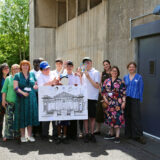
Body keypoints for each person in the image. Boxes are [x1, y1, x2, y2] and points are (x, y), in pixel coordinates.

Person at [13, 60, 39, 143]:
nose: (25, 66)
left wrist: (35, 86)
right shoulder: (17, 75)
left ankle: (30, 135)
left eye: (26, 65)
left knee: (30, 116)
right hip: (22, 99)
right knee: (22, 116)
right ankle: (23, 136)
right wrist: (23, 93)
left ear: (29, 66)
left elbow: (35, 84)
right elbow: (16, 88)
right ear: (21, 66)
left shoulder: (32, 74)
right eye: (23, 65)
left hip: (31, 98)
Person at [102, 66, 126, 144]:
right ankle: (111, 134)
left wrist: (123, 102)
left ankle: (117, 136)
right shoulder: (106, 81)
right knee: (110, 118)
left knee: (117, 119)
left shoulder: (120, 81)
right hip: (109, 103)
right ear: (110, 72)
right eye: (112, 71)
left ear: (118, 72)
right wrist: (105, 99)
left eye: (115, 71)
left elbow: (123, 93)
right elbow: (103, 91)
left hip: (117, 104)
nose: (114, 72)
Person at [123, 62, 146, 144]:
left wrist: (140, 99)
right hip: (127, 99)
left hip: (135, 99)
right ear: (128, 68)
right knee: (127, 116)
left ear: (135, 68)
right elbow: (123, 89)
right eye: (130, 67)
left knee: (136, 118)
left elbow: (141, 89)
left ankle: (138, 136)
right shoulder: (125, 77)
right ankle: (128, 134)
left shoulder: (139, 77)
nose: (131, 68)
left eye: (133, 67)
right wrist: (123, 100)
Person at [37, 61, 58, 142]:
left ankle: (55, 134)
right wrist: (51, 82)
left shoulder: (52, 74)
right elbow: (42, 86)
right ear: (41, 70)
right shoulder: (40, 76)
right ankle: (45, 134)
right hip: (45, 99)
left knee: (55, 117)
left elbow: (56, 82)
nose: (47, 70)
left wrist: (55, 82)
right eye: (45, 69)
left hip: (54, 98)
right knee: (46, 117)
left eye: (48, 68)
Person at [82, 57, 100, 143]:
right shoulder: (83, 73)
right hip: (84, 98)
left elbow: (97, 86)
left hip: (93, 98)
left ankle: (92, 134)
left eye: (88, 62)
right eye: (85, 63)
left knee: (92, 117)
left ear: (91, 63)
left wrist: (88, 77)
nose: (86, 64)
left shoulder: (96, 72)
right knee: (85, 117)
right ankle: (86, 133)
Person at [1, 64, 20, 141]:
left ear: (19, 69)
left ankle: (17, 135)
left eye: (17, 68)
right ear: (12, 69)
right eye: (14, 68)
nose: (16, 70)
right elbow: (4, 90)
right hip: (9, 102)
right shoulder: (8, 79)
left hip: (18, 102)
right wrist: (3, 100)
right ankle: (8, 135)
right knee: (8, 119)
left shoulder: (20, 78)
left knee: (17, 119)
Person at [66, 61, 82, 141]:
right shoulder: (62, 76)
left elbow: (78, 86)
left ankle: (74, 134)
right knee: (66, 117)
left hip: (73, 99)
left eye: (70, 66)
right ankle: (67, 135)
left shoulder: (76, 76)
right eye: (68, 66)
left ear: (72, 67)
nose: (69, 67)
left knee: (74, 117)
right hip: (65, 100)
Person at [94, 60, 111, 135]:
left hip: (110, 95)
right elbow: (99, 83)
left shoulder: (112, 72)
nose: (105, 66)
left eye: (106, 64)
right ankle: (98, 129)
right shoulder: (102, 73)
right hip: (102, 95)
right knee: (99, 112)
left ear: (109, 64)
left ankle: (111, 130)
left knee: (110, 112)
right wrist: (100, 91)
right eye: (104, 65)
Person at [31, 58, 44, 137]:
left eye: (38, 63)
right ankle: (33, 131)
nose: (36, 64)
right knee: (34, 113)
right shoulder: (30, 73)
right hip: (33, 95)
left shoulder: (42, 72)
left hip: (41, 94)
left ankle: (40, 131)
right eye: (35, 62)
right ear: (33, 64)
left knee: (41, 112)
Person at [0, 63, 9, 139]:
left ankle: (7, 134)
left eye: (7, 68)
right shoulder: (0, 79)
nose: (6, 69)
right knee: (0, 119)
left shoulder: (10, 78)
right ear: (1, 70)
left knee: (8, 119)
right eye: (4, 68)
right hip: (0, 101)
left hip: (9, 101)